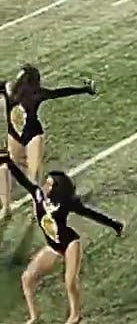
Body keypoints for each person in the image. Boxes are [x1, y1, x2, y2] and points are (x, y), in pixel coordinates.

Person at [0, 142, 122, 324]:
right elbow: (22, 179)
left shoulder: (65, 203)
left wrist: (114, 225)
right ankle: (34, 316)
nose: (45, 185)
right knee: (27, 278)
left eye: (49, 183)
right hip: (53, 246)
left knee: (69, 280)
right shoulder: (38, 195)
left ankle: (75, 313)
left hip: (70, 243)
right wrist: (7, 161)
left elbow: (91, 214)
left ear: (57, 188)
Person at [1, 68, 95, 217]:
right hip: (17, 136)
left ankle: (33, 207)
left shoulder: (12, 89)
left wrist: (84, 89)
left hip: (32, 137)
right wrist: (85, 89)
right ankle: (8, 207)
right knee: (13, 169)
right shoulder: (35, 92)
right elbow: (61, 92)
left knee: (28, 173)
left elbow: (60, 92)